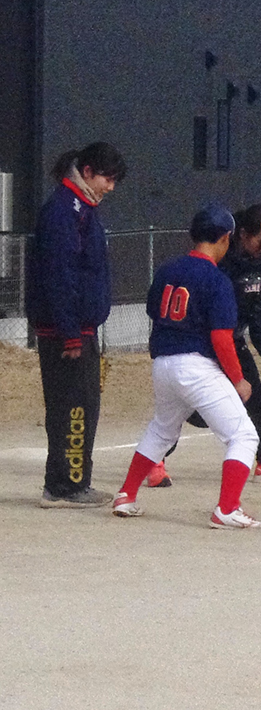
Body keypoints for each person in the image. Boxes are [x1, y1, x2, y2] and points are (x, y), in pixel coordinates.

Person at [109, 204, 261, 529]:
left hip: (163, 364)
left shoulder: (167, 270)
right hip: (195, 366)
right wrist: (238, 379)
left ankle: (126, 495)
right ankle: (227, 509)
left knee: (162, 430)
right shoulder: (217, 279)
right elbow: (222, 339)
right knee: (244, 436)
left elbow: (155, 312)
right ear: (226, 238)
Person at [152, 204, 261, 487]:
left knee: (253, 397)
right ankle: (156, 459)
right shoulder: (218, 261)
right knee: (186, 407)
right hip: (202, 342)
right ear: (242, 234)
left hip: (233, 340)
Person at [26, 142, 126, 508]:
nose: (110, 188)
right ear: (87, 172)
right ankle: (66, 486)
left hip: (78, 328)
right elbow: (59, 275)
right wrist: (70, 333)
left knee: (80, 404)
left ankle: (69, 482)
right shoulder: (64, 211)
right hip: (68, 333)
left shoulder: (82, 208)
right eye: (107, 179)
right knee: (75, 407)